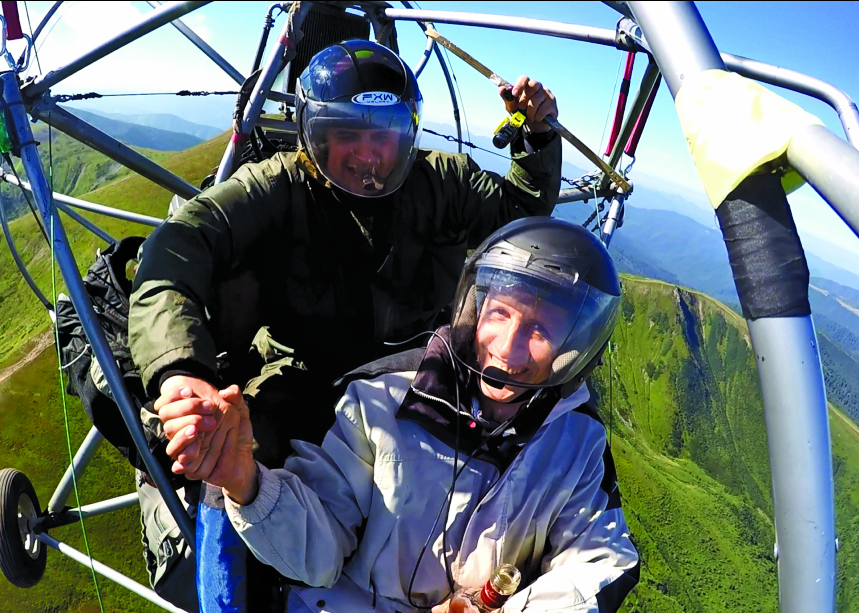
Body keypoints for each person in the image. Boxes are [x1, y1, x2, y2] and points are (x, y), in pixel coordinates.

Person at [129, 38, 562, 608]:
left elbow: (520, 215)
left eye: (382, 137)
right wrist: (180, 371)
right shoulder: (278, 187)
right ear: (314, 136)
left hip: (420, 369)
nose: (367, 157)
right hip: (306, 376)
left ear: (406, 135)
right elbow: (179, 245)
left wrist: (536, 138)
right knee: (227, 458)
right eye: (345, 136)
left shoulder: (440, 182)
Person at [161, 217, 640, 612]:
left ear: (574, 350)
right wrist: (246, 483)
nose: (508, 349)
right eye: (500, 313)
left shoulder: (577, 441)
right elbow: (319, 554)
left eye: (540, 330)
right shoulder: (383, 397)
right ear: (475, 309)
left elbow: (603, 562)